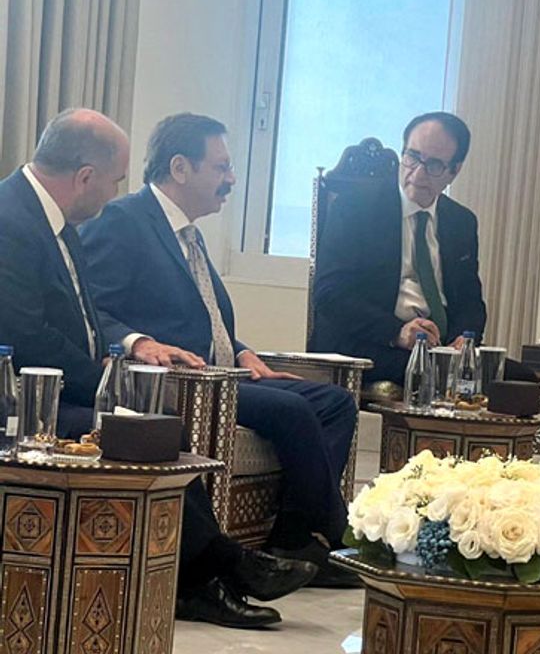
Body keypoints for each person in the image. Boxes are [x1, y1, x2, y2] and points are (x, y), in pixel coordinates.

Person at [0, 109, 315, 629]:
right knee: (144, 434)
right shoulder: (11, 221)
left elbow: (84, 319)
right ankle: (218, 572)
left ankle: (206, 577)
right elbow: (27, 335)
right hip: (22, 399)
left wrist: (112, 366)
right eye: (115, 180)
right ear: (85, 177)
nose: (115, 194)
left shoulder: (57, 222)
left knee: (157, 430)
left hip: (59, 388)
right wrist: (110, 380)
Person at [80, 113, 359, 588]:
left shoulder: (188, 233)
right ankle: (333, 532)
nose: (231, 179)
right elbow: (90, 308)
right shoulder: (123, 221)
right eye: (221, 167)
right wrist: (139, 342)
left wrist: (243, 352)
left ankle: (292, 535)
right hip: (186, 383)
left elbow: (204, 318)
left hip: (226, 373)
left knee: (334, 403)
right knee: (293, 411)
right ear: (180, 168)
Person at [310, 112, 488, 383]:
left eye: (434, 165)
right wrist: (397, 332)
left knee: (514, 377)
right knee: (433, 376)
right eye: (413, 157)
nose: (418, 173)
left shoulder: (461, 221)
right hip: (370, 343)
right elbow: (329, 293)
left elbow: (470, 301)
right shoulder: (354, 207)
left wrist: (464, 338)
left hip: (439, 349)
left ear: (455, 170)